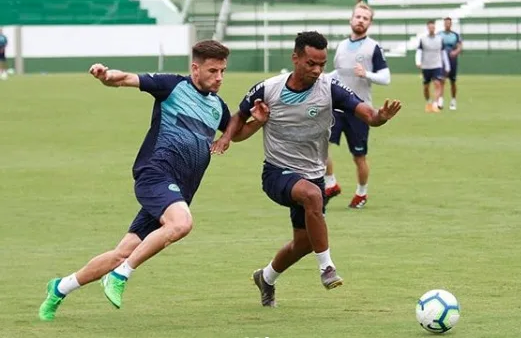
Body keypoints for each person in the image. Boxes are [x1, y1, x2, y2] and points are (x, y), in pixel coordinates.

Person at [38, 40, 259, 321]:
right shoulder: (172, 86)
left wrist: (259, 122)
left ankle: (60, 288)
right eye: (213, 71)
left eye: (223, 71)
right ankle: (121, 275)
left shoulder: (217, 106)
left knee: (122, 252)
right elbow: (127, 78)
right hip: (155, 175)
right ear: (195, 68)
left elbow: (234, 133)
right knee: (182, 224)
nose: (219, 78)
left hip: (177, 192)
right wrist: (106, 76)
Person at [214, 31, 401, 307]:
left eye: (322, 64)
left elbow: (368, 114)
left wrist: (380, 118)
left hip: (312, 174)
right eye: (311, 63)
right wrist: (227, 137)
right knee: (312, 195)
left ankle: (265, 278)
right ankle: (327, 267)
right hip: (277, 172)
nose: (317, 70)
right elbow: (238, 116)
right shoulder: (269, 88)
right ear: (296, 58)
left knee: (304, 242)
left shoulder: (330, 88)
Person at [323, 2, 391, 209]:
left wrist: (367, 74)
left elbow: (386, 77)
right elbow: (339, 73)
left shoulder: (373, 48)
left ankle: (361, 193)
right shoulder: (342, 46)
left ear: (369, 23)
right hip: (337, 107)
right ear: (351, 19)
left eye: (365, 18)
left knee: (359, 156)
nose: (360, 20)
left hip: (360, 109)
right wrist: (320, 79)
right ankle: (330, 183)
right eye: (358, 16)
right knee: (319, 145)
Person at [416, 20, 451, 113]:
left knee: (437, 84)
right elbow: (419, 51)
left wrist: (447, 66)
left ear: (435, 28)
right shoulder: (423, 39)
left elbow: (443, 53)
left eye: (433, 27)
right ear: (427, 28)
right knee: (426, 87)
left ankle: (435, 104)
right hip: (426, 66)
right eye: (430, 27)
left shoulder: (439, 39)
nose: (431, 29)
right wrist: (418, 62)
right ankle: (428, 103)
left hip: (437, 65)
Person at [438, 17, 462, 111]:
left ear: (451, 24)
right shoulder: (439, 35)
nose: (447, 24)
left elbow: (460, 46)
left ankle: (453, 100)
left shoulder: (455, 35)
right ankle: (440, 100)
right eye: (446, 23)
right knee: (441, 80)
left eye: (449, 23)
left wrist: (455, 52)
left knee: (453, 81)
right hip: (442, 60)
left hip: (452, 60)